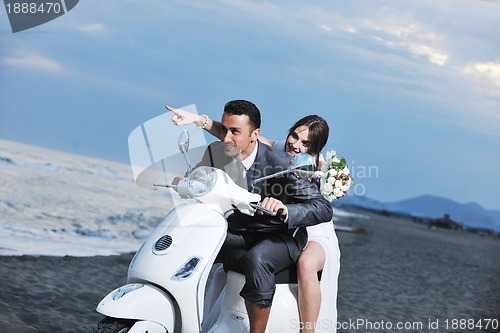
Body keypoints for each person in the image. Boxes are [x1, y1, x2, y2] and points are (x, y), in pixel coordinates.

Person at [168, 105, 340, 332]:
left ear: (315, 148)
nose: (296, 145)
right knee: (206, 243)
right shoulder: (277, 151)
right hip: (266, 221)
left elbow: (320, 207)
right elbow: (235, 136)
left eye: (305, 143)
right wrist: (196, 119)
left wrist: (287, 209)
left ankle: (307, 329)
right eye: (294, 136)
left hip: (309, 228)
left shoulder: (316, 166)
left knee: (304, 264)